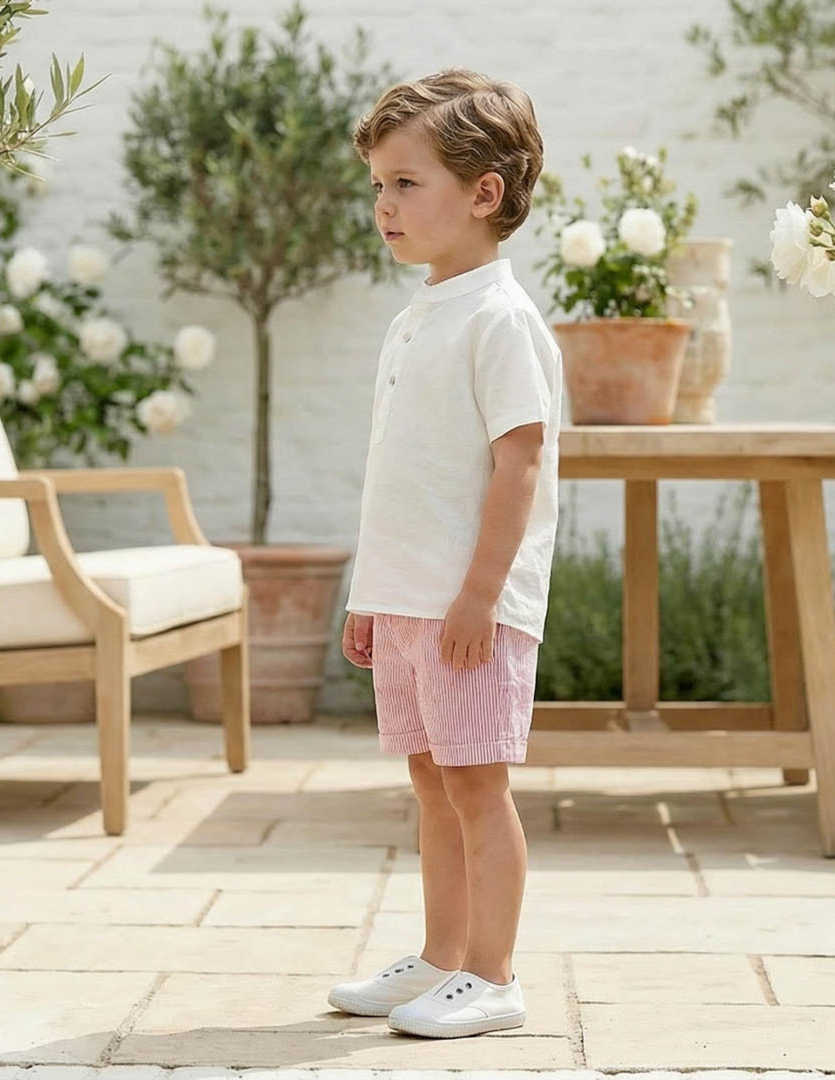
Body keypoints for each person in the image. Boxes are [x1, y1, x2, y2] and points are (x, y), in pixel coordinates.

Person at [328, 68, 561, 1040]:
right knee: (431, 781)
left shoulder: (500, 319)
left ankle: (496, 977)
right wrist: (369, 592)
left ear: (483, 192)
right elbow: (403, 475)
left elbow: (519, 467)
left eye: (406, 183)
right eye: (378, 185)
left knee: (476, 784)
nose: (384, 205)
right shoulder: (419, 313)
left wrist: (479, 595)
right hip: (409, 600)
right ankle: (442, 959)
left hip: (471, 609)